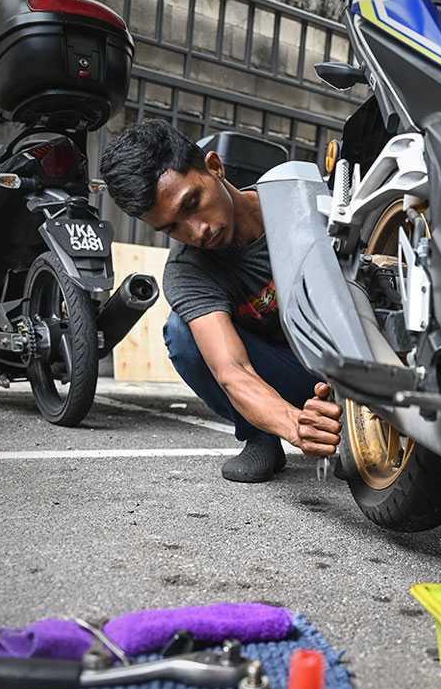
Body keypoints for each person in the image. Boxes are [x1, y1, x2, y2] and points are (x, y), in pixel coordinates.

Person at [99, 120, 341, 482]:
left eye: (193, 203)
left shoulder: (299, 201)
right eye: (172, 228)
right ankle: (259, 435)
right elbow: (232, 371)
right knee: (182, 335)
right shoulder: (187, 271)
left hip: (344, 355)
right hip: (285, 374)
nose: (197, 231)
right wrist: (294, 425)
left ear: (214, 167)